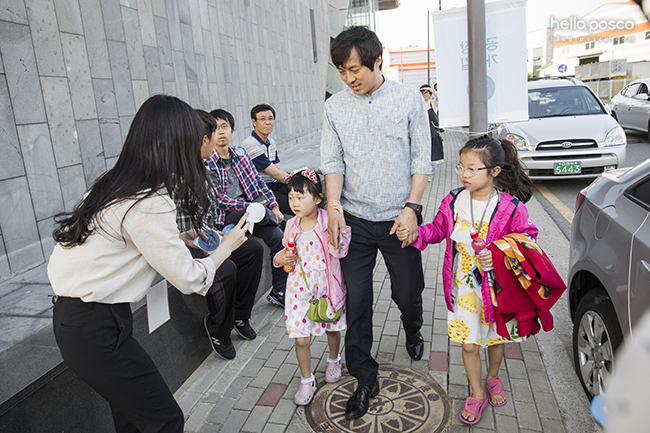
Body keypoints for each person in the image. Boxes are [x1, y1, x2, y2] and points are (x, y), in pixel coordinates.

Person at [48, 95, 250, 433]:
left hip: (88, 319)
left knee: (133, 420)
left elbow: (122, 244)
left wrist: (175, 240)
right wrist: (226, 247)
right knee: (165, 420)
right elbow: (190, 280)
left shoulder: (114, 180)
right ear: (177, 143)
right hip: (93, 326)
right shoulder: (147, 199)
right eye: (195, 137)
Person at [320, 26, 432, 420]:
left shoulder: (407, 100)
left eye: (355, 69)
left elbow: (422, 159)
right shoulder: (335, 107)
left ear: (377, 60)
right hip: (355, 220)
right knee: (359, 301)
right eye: (341, 70)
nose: (349, 78)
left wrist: (411, 209)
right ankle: (364, 377)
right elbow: (332, 161)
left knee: (406, 292)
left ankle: (413, 328)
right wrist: (333, 205)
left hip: (398, 217)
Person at [397, 135, 537, 425]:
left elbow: (528, 239)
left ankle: (493, 377)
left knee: (496, 340)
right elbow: (436, 229)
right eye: (461, 167)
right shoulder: (453, 201)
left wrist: (498, 252)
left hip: (498, 289)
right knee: (469, 343)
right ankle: (476, 392)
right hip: (463, 289)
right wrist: (414, 234)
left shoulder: (510, 207)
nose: (464, 174)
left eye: (473, 169)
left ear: (494, 172)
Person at [176, 109, 265, 360]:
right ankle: (218, 329)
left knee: (253, 250)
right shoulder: (176, 172)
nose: (220, 137)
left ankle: (240, 314)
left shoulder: (203, 166)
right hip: (181, 241)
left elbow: (213, 206)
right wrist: (195, 238)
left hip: (205, 234)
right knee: (225, 270)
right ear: (204, 139)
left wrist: (216, 232)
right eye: (216, 132)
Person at [273, 170, 350, 406]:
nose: (294, 203)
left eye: (300, 197)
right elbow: (285, 255)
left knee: (332, 328)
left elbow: (341, 251)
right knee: (301, 339)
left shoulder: (328, 220)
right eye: (291, 197)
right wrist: (280, 260)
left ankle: (334, 359)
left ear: (318, 198)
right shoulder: (291, 226)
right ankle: (307, 380)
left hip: (327, 289)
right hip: (299, 292)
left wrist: (339, 235)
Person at [208, 108, 288, 307]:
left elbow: (259, 184)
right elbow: (219, 200)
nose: (221, 132)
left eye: (225, 126)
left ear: (232, 129)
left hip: (254, 212)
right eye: (216, 128)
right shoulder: (207, 161)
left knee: (278, 237)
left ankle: (279, 291)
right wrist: (249, 206)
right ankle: (278, 221)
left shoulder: (239, 153)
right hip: (227, 217)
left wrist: (275, 206)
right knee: (262, 216)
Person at [242, 104, 293, 216]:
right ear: (254, 122)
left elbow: (277, 168)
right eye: (262, 119)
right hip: (263, 190)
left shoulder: (271, 141)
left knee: (304, 194)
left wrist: (288, 176)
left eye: (270, 118)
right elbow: (274, 173)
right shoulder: (250, 144)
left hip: (275, 184)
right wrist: (295, 180)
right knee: (296, 204)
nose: (268, 122)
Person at [419, 84, 444, 171]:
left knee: (434, 157)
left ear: (430, 94)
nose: (424, 95)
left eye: (426, 93)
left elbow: (440, 97)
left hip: (432, 134)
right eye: (422, 93)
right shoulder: (417, 105)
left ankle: (429, 171)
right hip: (421, 133)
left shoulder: (432, 104)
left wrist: (430, 89)